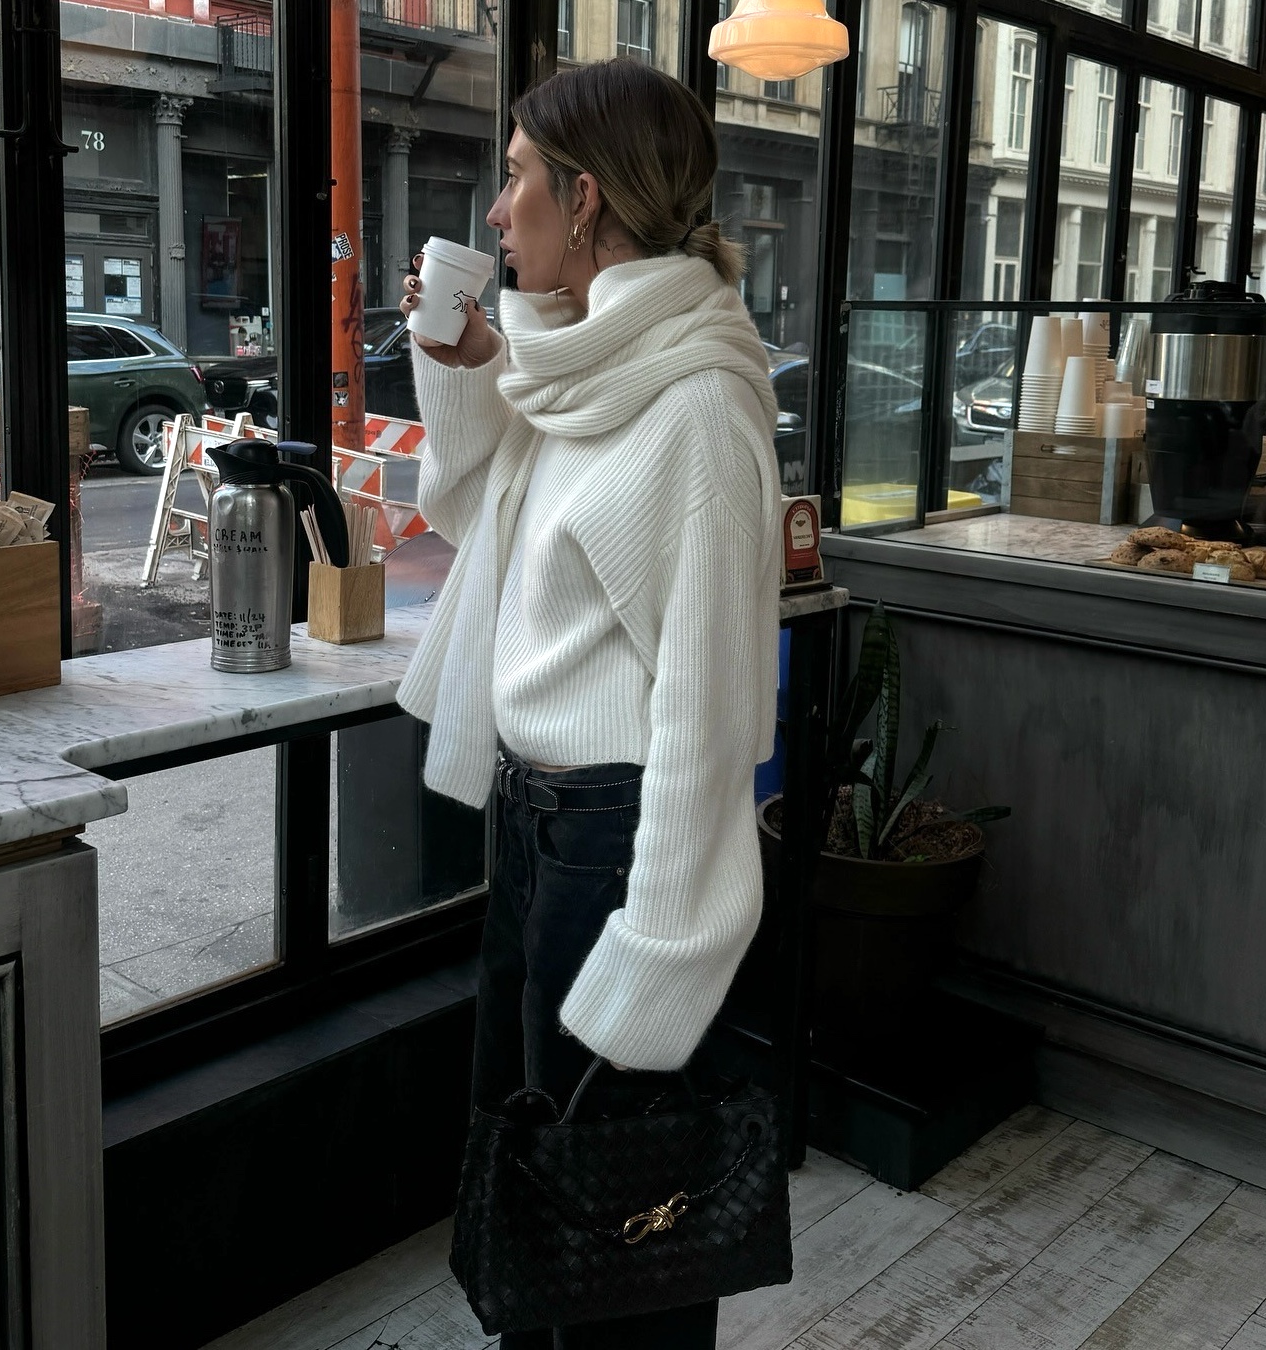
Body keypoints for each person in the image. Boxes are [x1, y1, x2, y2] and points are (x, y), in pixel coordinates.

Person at [396, 57, 781, 1350]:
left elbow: (713, 709)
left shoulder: (695, 402)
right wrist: (466, 364)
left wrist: (662, 951)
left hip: (619, 847)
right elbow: (478, 514)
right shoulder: (587, 372)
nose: (497, 213)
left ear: (587, 193)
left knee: (627, 1221)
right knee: (542, 1195)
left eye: (514, 179)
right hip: (541, 825)